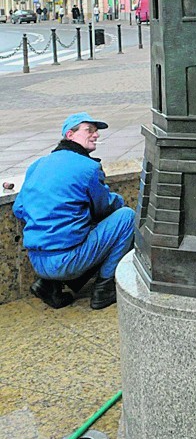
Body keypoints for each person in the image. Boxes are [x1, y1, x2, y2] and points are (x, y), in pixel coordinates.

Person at [13, 112, 135, 311]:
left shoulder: (37, 165)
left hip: (37, 261)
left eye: (96, 132)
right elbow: (104, 207)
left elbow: (19, 208)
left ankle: (48, 285)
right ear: (70, 135)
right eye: (89, 130)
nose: (95, 135)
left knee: (83, 227)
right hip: (68, 262)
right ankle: (105, 289)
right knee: (126, 218)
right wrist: (119, 200)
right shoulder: (88, 167)